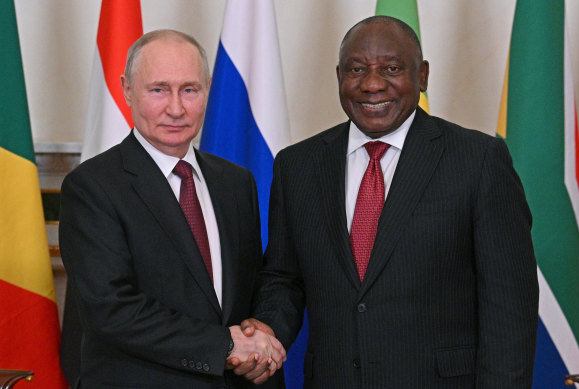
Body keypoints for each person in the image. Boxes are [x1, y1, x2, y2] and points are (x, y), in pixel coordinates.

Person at [240, 16, 539, 388]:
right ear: (339, 77)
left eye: (392, 68)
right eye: (357, 69)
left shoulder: (478, 160)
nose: (372, 84)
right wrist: (267, 328)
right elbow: (284, 278)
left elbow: (509, 308)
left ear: (423, 75)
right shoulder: (297, 165)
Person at [59, 29, 285, 388]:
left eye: (190, 90)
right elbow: (112, 310)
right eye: (159, 89)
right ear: (128, 89)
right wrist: (225, 345)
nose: (176, 108)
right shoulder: (91, 187)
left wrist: (261, 337)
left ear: (208, 89)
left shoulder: (235, 182)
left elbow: (254, 286)